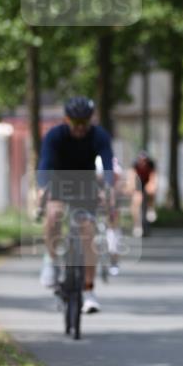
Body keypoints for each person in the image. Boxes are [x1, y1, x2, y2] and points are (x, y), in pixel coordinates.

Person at [37, 96, 115, 314]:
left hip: (86, 186)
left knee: (88, 231)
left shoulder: (99, 135)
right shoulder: (55, 136)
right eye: (75, 122)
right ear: (66, 119)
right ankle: (50, 262)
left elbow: (107, 164)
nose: (80, 127)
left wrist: (108, 189)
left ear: (91, 120)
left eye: (84, 122)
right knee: (54, 215)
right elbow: (45, 164)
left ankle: (89, 291)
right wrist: (42, 187)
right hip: (59, 183)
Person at [130, 150, 157, 237]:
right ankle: (137, 225)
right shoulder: (135, 165)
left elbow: (153, 178)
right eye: (141, 160)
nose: (143, 163)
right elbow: (131, 177)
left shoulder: (151, 165)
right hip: (138, 184)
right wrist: (133, 189)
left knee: (151, 190)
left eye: (145, 160)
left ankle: (151, 208)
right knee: (136, 200)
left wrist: (151, 186)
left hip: (147, 183)